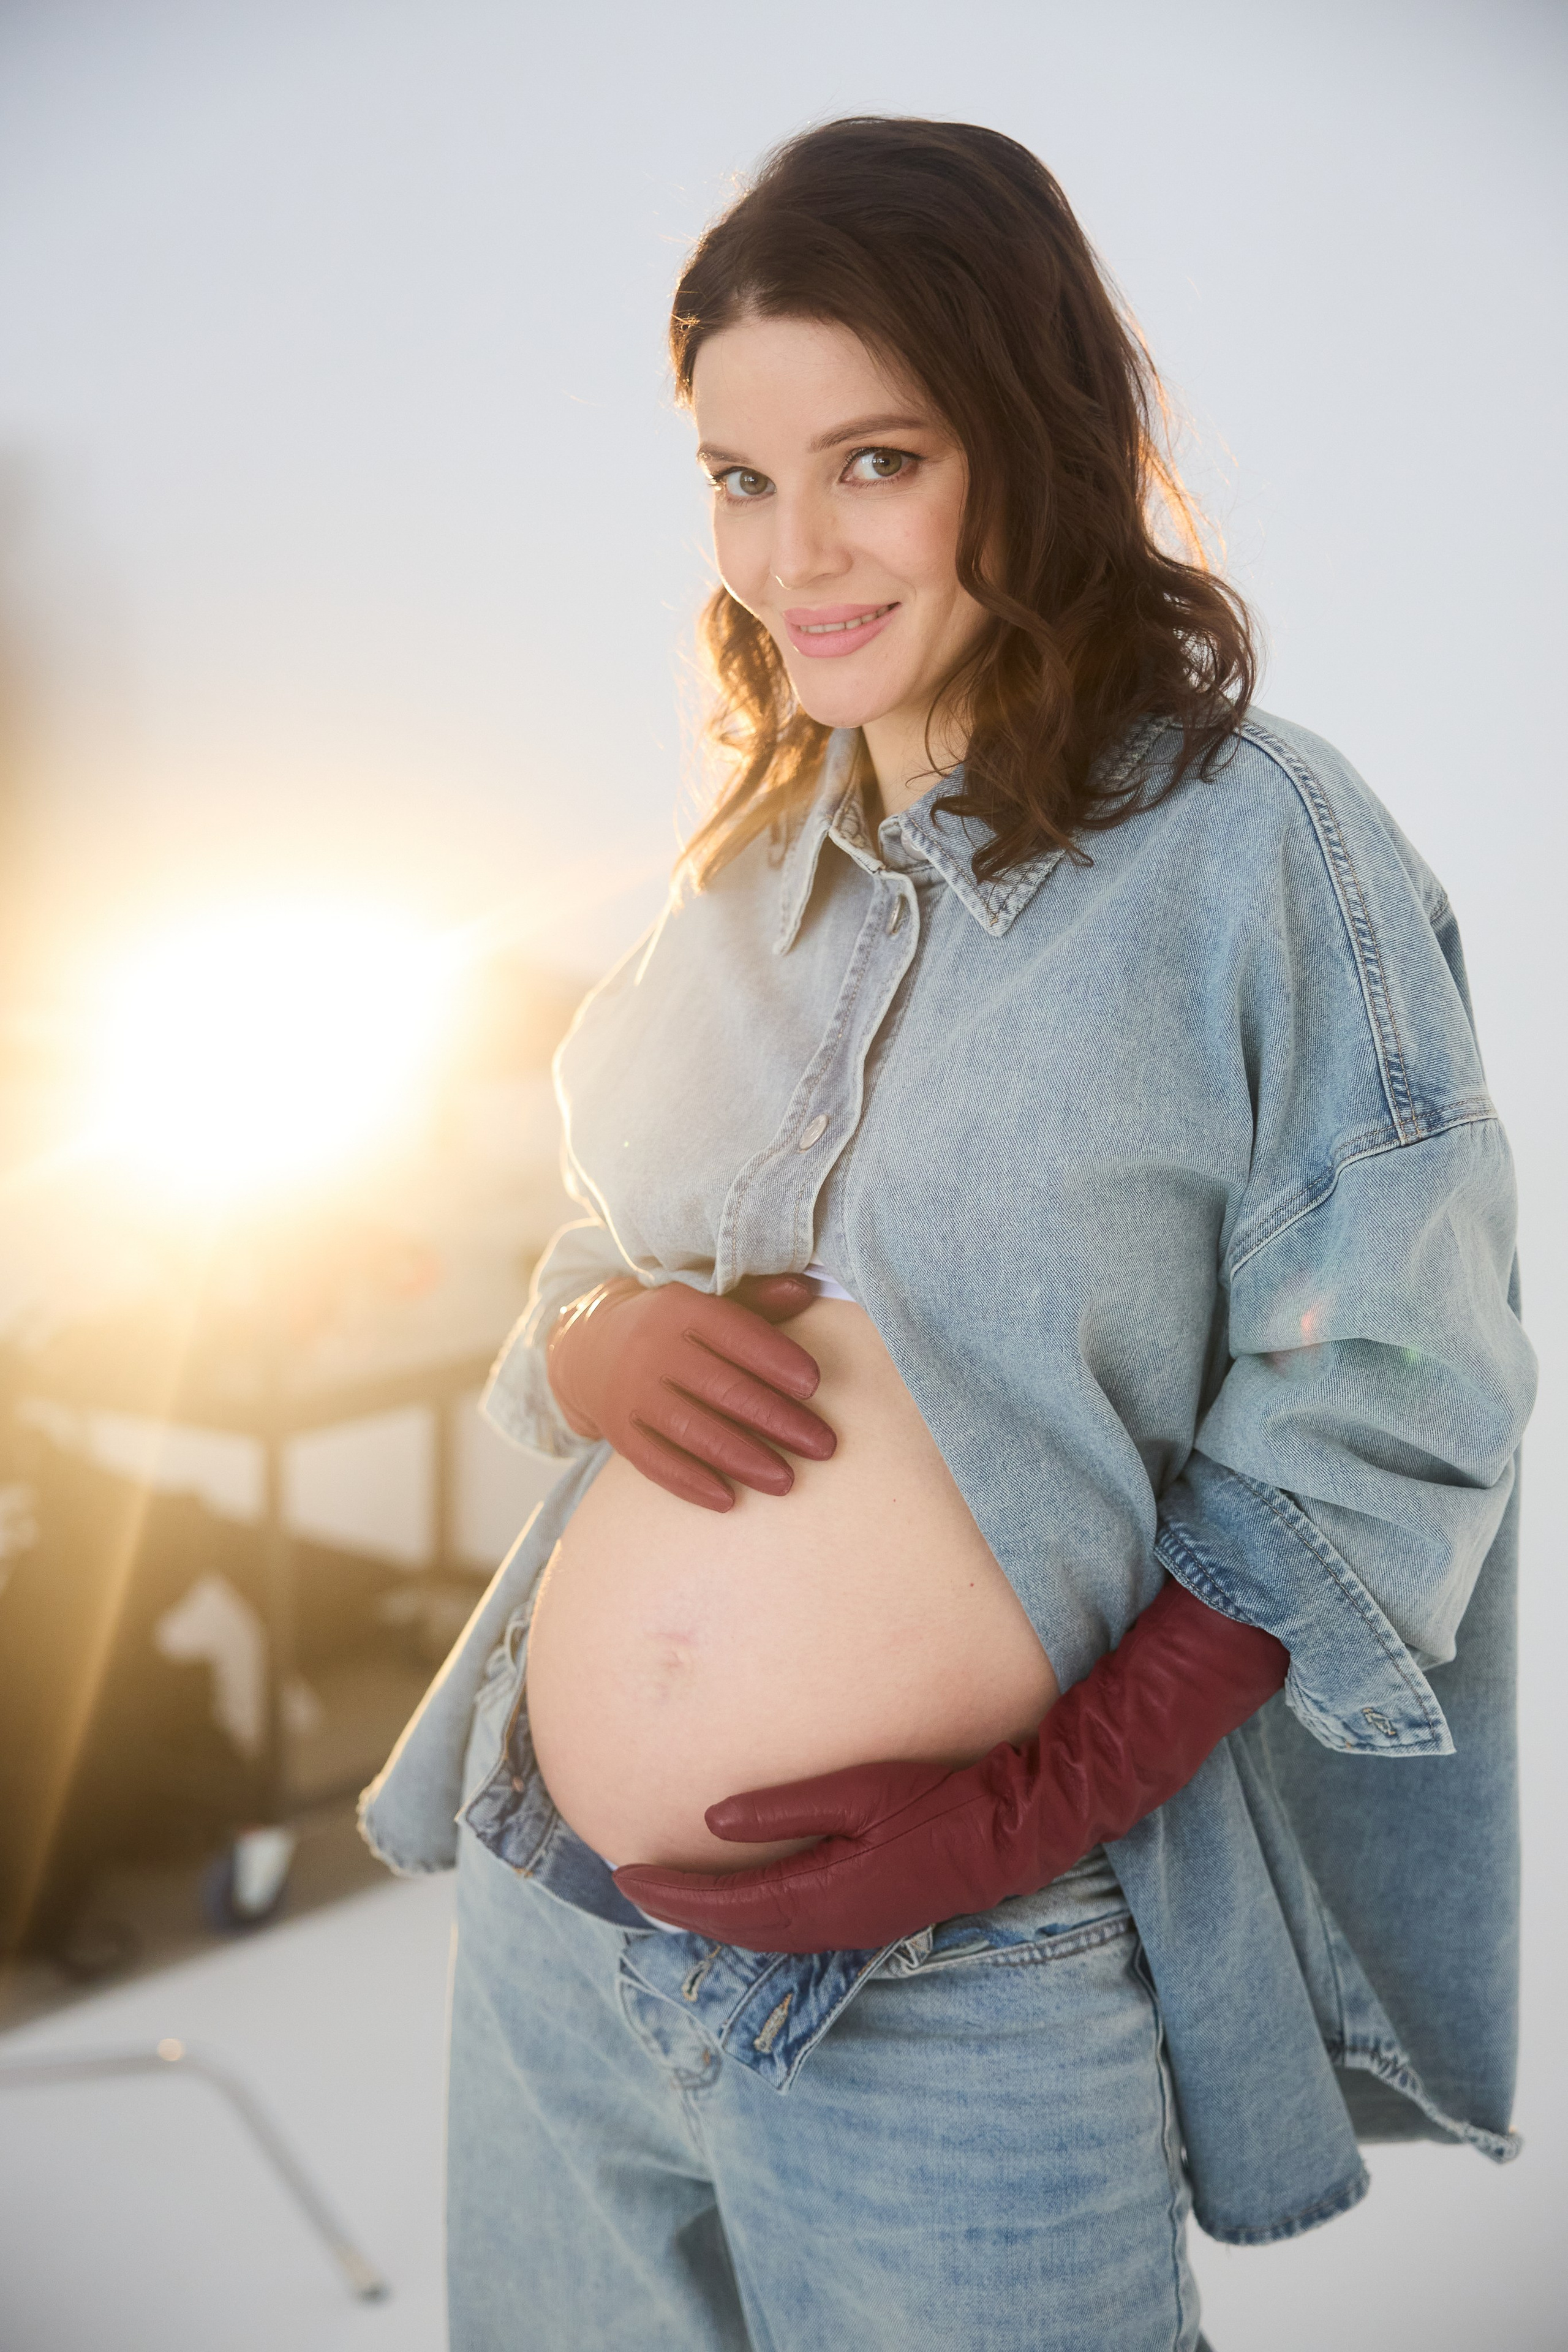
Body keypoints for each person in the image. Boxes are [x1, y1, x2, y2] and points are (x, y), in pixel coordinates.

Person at [361, 118, 1536, 2352]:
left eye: (872, 460)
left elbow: (1396, 1406)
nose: (790, 552)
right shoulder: (747, 858)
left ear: (1032, 433)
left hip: (958, 1986)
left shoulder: (1254, 850)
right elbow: (589, 1234)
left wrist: (1033, 1807)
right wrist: (599, 1327)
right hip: (561, 1937)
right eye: (735, 476)